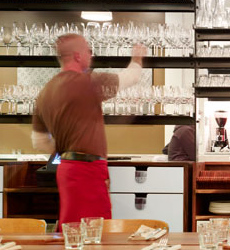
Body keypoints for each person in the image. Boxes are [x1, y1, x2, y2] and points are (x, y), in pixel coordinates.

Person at [31, 34, 146, 229]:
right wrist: (137, 57)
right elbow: (131, 77)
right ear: (77, 56)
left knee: (71, 227)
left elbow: (39, 141)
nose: (91, 55)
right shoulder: (88, 82)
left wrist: (65, 150)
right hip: (88, 169)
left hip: (66, 169)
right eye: (88, 51)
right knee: (95, 229)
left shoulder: (45, 92)